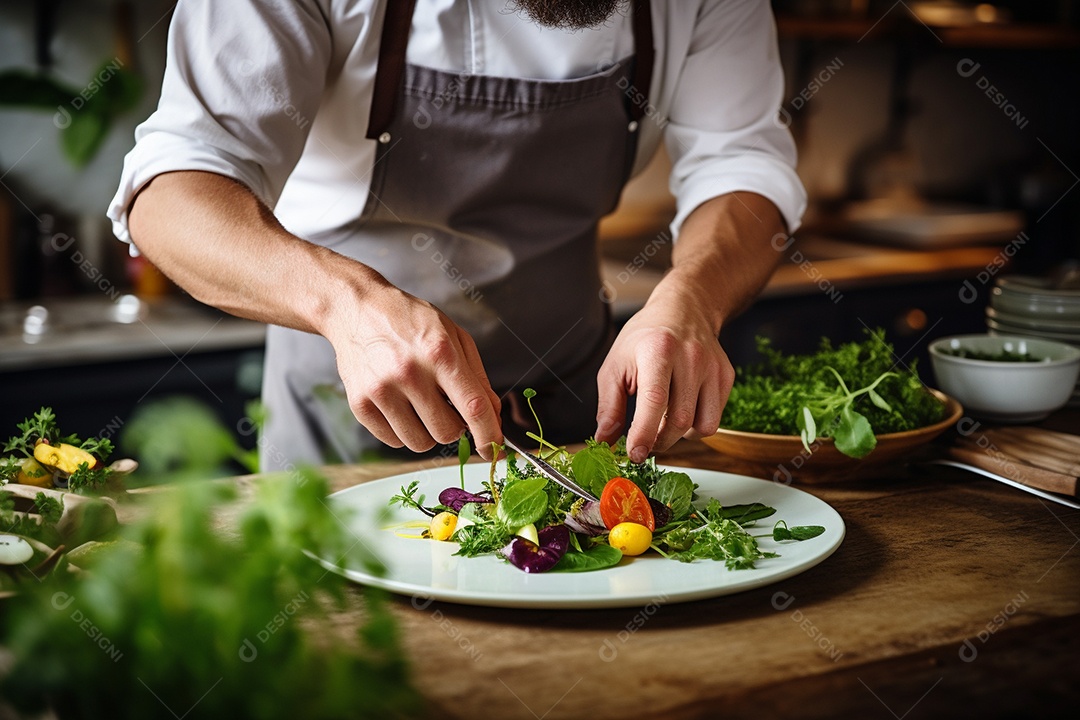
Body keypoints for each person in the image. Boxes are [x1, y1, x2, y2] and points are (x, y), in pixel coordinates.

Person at [108, 0, 806, 470]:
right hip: (349, 424)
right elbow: (174, 192)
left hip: (579, 409)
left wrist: (692, 300)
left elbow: (741, 161)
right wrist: (345, 305)